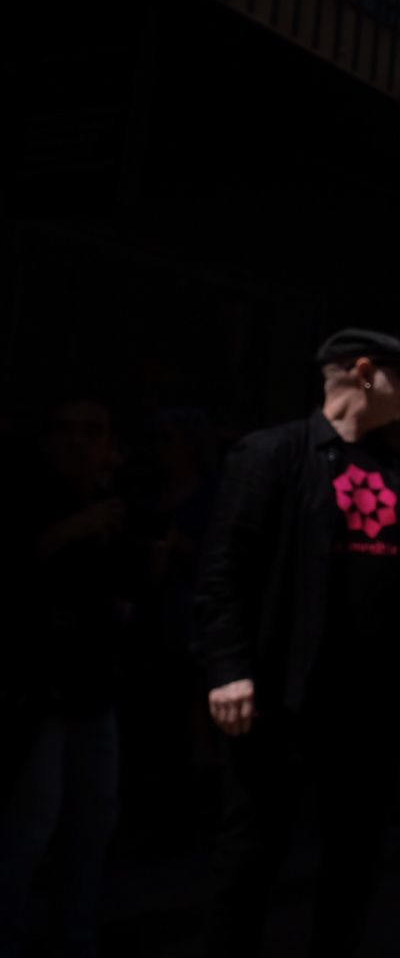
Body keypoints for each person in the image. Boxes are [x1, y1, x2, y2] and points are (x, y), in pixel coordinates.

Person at [193, 329, 400, 958]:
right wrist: (228, 669)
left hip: (368, 705)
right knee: (249, 857)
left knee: (355, 861)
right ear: (363, 373)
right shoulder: (274, 455)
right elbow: (224, 572)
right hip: (279, 699)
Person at [1, 392, 136, 958]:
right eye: (67, 430)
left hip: (93, 683)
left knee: (93, 818)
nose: (79, 443)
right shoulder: (26, 499)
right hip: (37, 686)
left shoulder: (111, 505)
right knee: (31, 823)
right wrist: (69, 531)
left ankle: (73, 936)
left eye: (92, 431)